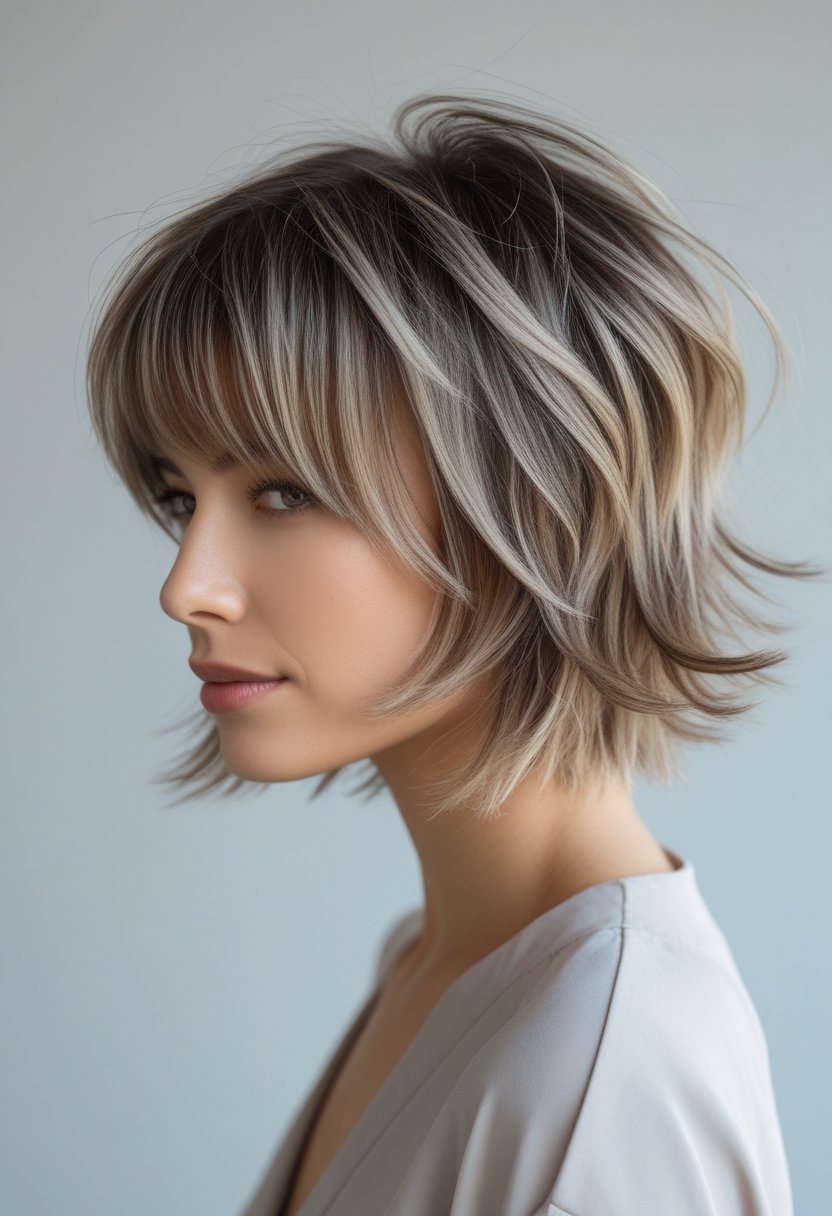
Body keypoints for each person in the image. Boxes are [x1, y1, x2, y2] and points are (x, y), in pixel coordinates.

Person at [85, 92, 821, 1215]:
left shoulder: (604, 1081)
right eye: (181, 495)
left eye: (283, 489)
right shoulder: (442, 968)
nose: (186, 584)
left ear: (532, 507)